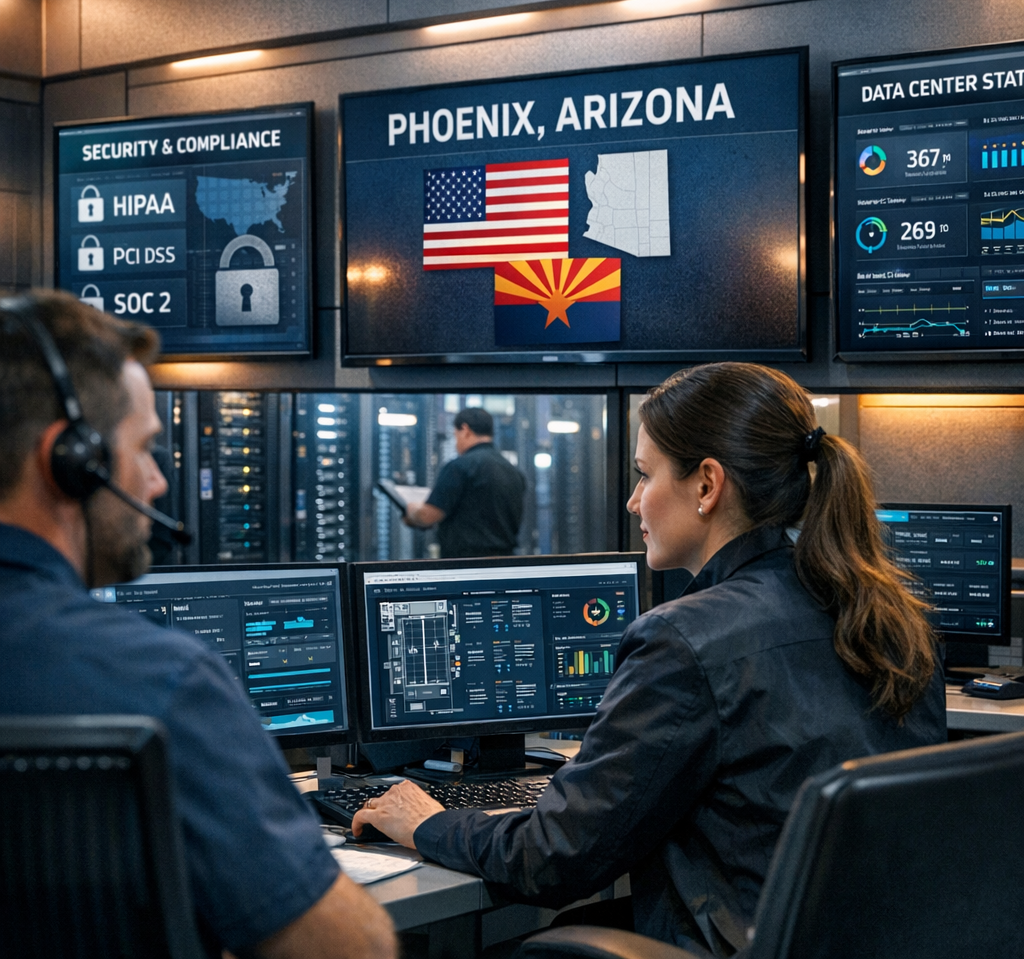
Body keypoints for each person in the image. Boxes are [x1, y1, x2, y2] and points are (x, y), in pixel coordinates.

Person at [353, 362, 947, 956]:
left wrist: (428, 821)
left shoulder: (684, 639)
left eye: (645, 475)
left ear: (707, 485)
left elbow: (553, 860)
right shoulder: (890, 618)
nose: (635, 502)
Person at [0, 290, 395, 959]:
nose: (156, 482)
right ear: (70, 462)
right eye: (146, 450)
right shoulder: (160, 683)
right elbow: (351, 949)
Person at [405, 406, 526, 557]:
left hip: (466, 565)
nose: (456, 444)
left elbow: (428, 516)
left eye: (455, 435)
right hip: (504, 564)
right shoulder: (513, 472)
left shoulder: (459, 467)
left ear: (465, 429)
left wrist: (411, 510)